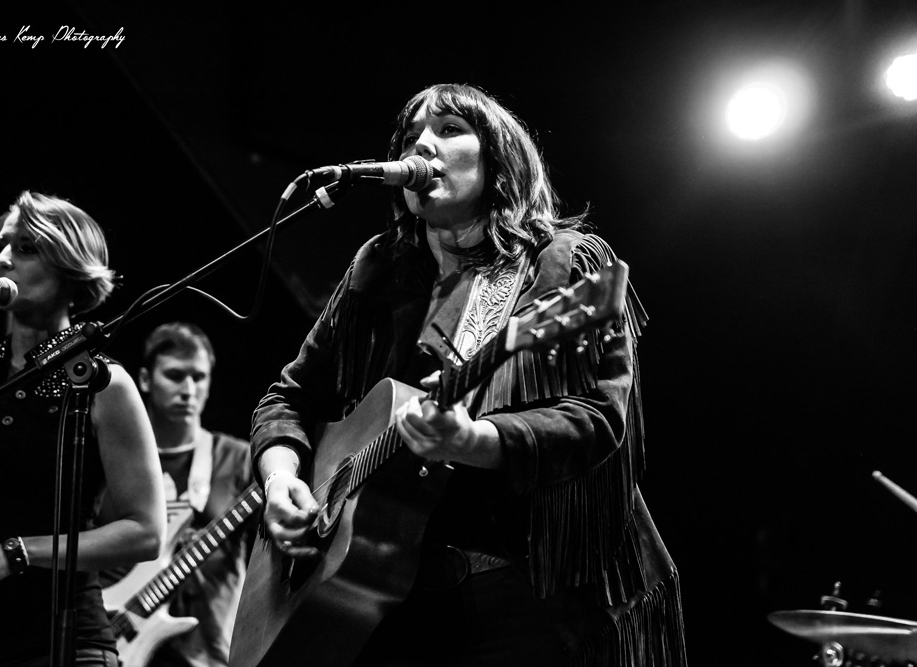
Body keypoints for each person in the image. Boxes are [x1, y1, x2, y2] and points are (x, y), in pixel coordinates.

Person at [247, 83, 688, 666]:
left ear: (499, 157)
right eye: (411, 136)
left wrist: (474, 440)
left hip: (528, 589)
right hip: (392, 595)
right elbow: (290, 397)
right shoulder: (379, 269)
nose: (422, 145)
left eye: (450, 129)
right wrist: (279, 480)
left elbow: (597, 418)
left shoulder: (561, 264)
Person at [0, 191, 167, 666]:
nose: (2, 259)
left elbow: (146, 532)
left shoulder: (103, 383)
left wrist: (17, 552)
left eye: (26, 248)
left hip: (60, 643)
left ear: (71, 271)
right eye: (2, 245)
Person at [132, 322, 253, 666]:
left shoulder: (239, 459)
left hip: (204, 654)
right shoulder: (122, 458)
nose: (188, 389)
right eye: (174, 375)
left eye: (198, 377)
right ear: (145, 380)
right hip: (119, 640)